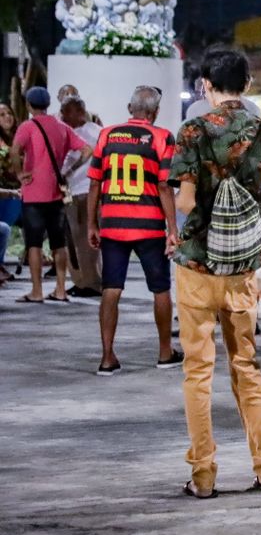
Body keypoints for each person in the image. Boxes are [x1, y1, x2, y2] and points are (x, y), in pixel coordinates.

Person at [171, 48, 261, 498]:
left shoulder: (192, 130)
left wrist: (203, 207)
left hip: (198, 266)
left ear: (206, 84)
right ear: (247, 83)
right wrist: (253, 235)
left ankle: (203, 476)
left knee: (197, 372)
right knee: (247, 366)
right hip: (242, 269)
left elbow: (183, 204)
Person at [84, 86, 180, 374]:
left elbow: (94, 183)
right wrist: (172, 228)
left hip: (113, 224)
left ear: (130, 108)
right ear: (155, 112)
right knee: (160, 288)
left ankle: (107, 358)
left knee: (111, 289)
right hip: (149, 226)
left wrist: (92, 223)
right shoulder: (162, 137)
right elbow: (164, 185)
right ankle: (165, 353)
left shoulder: (107, 135)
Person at [10, 86, 89, 304]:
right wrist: (70, 171)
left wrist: (20, 173)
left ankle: (36, 291)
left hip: (33, 192)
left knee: (34, 243)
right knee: (58, 242)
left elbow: (14, 150)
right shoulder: (61, 126)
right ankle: (61, 289)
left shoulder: (27, 126)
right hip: (56, 193)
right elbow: (87, 150)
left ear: (28, 105)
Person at [59, 96, 103, 297]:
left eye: (67, 111)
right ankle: (88, 280)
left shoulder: (78, 133)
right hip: (93, 190)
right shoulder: (98, 131)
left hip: (81, 191)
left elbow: (77, 157)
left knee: (82, 239)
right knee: (89, 239)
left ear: (79, 112)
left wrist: (64, 173)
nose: (63, 115)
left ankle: (89, 283)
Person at [0, 102, 20, 284]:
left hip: (20, 190)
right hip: (4, 192)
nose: (7, 117)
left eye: (9, 113)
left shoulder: (18, 137)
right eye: (1, 114)